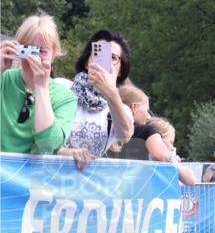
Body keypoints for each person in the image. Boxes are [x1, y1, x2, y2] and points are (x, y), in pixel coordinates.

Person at [56, 30, 134, 169]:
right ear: (87, 62)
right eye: (99, 54)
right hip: (49, 177)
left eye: (113, 58)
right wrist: (65, 152)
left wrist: (111, 93)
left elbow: (125, 135)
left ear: (121, 69)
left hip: (88, 185)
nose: (105, 62)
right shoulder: (61, 88)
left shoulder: (120, 109)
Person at [0, 14, 77, 154]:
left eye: (42, 51)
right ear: (17, 49)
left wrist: (41, 88)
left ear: (54, 54)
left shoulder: (66, 97)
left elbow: (48, 143)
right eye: (27, 49)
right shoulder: (4, 79)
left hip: (35, 174)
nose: (33, 57)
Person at [146, 116, 197, 185]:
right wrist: (172, 159)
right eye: (171, 142)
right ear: (159, 139)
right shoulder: (162, 158)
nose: (172, 148)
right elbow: (191, 180)